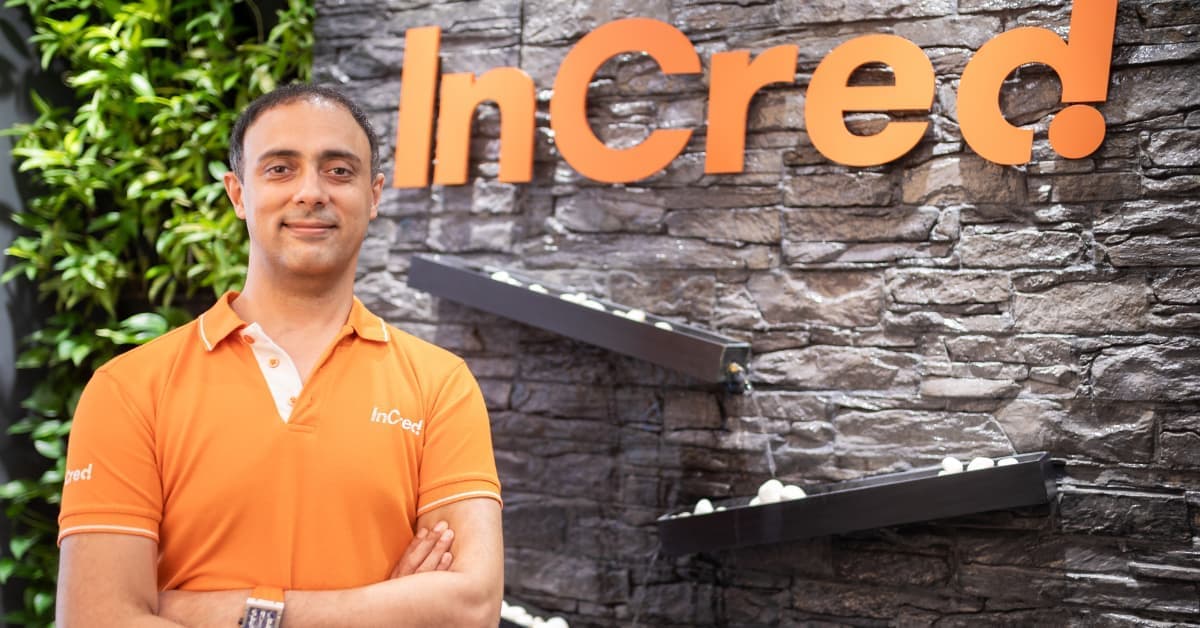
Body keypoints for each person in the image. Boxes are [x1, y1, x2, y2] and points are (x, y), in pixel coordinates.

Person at [55, 84, 504, 626]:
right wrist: (383, 610)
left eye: (339, 171)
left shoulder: (440, 386)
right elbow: (96, 618)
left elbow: (472, 608)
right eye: (280, 169)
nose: (311, 192)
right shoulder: (130, 389)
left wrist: (235, 612)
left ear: (374, 195)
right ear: (238, 193)